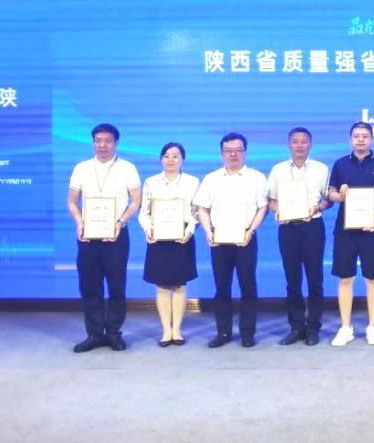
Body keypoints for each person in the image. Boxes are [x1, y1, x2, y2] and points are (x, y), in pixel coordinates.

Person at [67, 123, 141, 353]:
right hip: (88, 236)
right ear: (93, 142)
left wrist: (121, 222)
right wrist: (79, 222)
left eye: (107, 141)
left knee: (117, 286)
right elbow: (72, 201)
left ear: (115, 143)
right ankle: (94, 334)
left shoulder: (128, 168)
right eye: (98, 140)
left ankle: (114, 333)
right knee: (90, 287)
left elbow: (136, 201)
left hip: (116, 235)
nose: (102, 145)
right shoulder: (81, 168)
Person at [194, 133, 268, 348]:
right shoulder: (211, 179)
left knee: (248, 286)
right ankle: (223, 332)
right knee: (222, 288)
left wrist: (251, 230)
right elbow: (202, 208)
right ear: (222, 153)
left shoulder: (257, 178)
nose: (233, 154)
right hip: (219, 241)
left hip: (246, 238)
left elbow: (263, 207)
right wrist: (208, 231)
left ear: (245, 152)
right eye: (228, 150)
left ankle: (247, 333)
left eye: (237, 150)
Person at [327, 122, 374, 347]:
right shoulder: (340, 164)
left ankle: (373, 326)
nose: (360, 139)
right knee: (345, 278)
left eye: (365, 136)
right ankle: (345, 328)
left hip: (371, 229)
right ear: (350, 139)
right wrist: (340, 195)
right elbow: (331, 194)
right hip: (345, 230)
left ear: (371, 139)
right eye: (356, 136)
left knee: (372, 278)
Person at [267, 127, 332, 347]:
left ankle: (313, 327)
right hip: (288, 229)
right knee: (292, 280)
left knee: (315, 279)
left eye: (304, 141)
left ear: (310, 144)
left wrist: (319, 207)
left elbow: (329, 199)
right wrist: (279, 212)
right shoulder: (278, 170)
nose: (300, 145)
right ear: (289, 145)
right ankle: (296, 327)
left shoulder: (321, 169)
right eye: (295, 141)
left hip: (313, 227)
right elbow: (271, 200)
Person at [138, 142, 199, 347]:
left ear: (183, 159)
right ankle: (166, 331)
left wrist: (190, 230)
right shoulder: (151, 182)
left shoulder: (192, 182)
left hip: (183, 238)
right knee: (162, 285)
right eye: (166, 156)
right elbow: (144, 212)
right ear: (161, 159)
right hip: (158, 239)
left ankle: (177, 331)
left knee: (180, 285)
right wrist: (148, 229)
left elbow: (197, 212)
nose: (170, 159)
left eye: (175, 156)